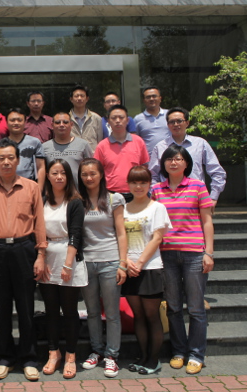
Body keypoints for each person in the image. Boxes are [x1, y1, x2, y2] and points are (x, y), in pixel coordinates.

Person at [0, 138, 47, 382]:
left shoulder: (31, 187)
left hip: (24, 249)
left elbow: (40, 222)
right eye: (1, 158)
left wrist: (41, 254)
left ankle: (29, 359)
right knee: (2, 308)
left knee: (26, 307)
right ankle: (4, 357)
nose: (6, 162)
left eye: (10, 158)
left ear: (18, 160)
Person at [152, 145, 215, 375]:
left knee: (196, 308)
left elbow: (207, 221)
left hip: (194, 254)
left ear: (186, 163)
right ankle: (178, 351)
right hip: (166, 254)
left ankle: (196, 354)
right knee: (174, 307)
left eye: (178, 159)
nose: (173, 162)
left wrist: (209, 252)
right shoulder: (156, 190)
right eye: (169, 159)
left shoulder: (198, 186)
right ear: (163, 164)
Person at [77, 158, 127, 378]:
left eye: (93, 173)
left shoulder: (115, 198)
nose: (89, 178)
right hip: (86, 262)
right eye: (84, 174)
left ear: (101, 175)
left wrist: (122, 263)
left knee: (112, 312)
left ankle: (112, 355)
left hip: (110, 261)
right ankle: (96, 350)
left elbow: (121, 232)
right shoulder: (78, 200)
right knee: (92, 311)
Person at [39, 159, 86, 379]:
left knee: (69, 311)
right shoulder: (42, 200)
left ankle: (70, 355)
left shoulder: (75, 202)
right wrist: (41, 258)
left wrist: (68, 264)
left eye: (63, 173)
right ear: (47, 176)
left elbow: (76, 234)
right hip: (47, 258)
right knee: (50, 311)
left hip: (69, 258)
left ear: (68, 176)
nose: (59, 177)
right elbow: (38, 232)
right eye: (54, 173)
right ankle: (53, 353)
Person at [122, 166, 170, 375]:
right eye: (134, 182)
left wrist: (140, 263)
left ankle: (153, 359)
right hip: (129, 268)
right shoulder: (123, 209)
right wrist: (126, 261)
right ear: (128, 184)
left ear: (150, 184)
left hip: (150, 267)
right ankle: (142, 356)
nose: (138, 186)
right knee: (138, 316)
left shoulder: (157, 207)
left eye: (143, 182)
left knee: (152, 316)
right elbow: (118, 238)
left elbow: (157, 238)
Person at [149, 107, 226, 208]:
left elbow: (217, 172)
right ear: (168, 125)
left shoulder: (200, 144)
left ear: (187, 123)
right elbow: (152, 176)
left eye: (179, 121)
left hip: (196, 200)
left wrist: (213, 198)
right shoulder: (160, 147)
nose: (176, 124)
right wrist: (157, 196)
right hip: (167, 202)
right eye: (172, 122)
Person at [94, 105, 149, 201]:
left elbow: (144, 166)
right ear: (108, 121)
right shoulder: (102, 146)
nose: (118, 121)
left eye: (121, 117)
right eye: (114, 118)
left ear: (127, 120)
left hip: (136, 193)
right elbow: (97, 170)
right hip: (111, 194)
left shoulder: (138, 141)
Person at [42, 112, 93, 186]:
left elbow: (90, 169)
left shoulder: (83, 145)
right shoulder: (44, 147)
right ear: (52, 125)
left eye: (65, 122)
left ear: (71, 125)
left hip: (78, 191)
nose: (61, 125)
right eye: (57, 122)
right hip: (53, 191)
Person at [6, 108, 45, 187]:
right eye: (12, 120)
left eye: (19, 120)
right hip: (7, 186)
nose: (16, 123)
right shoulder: (2, 144)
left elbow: (41, 167)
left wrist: (39, 190)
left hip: (29, 186)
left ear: (25, 122)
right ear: (6, 122)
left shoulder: (34, 142)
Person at [134, 87, 169, 155]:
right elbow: (135, 141)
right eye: (148, 97)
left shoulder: (169, 115)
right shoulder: (138, 119)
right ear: (144, 100)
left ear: (160, 98)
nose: (151, 99)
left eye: (154, 96)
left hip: (170, 157)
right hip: (149, 159)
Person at [69, 85, 104, 152]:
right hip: (73, 155)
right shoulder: (66, 119)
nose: (79, 98)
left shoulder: (96, 118)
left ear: (87, 99)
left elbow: (100, 141)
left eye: (82, 96)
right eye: (76, 96)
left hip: (92, 156)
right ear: (71, 99)